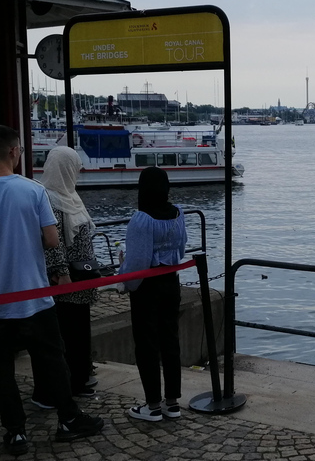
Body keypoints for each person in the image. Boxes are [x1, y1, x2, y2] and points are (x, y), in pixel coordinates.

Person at [0, 126, 103, 456]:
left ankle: (15, 432)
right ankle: (68, 418)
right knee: (52, 358)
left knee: (2, 369)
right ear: (15, 152)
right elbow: (52, 240)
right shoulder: (32, 192)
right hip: (33, 294)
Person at [119, 167, 187, 422]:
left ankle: (152, 405)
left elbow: (138, 263)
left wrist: (125, 282)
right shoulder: (178, 213)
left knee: (147, 344)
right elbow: (180, 250)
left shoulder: (141, 218)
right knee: (170, 339)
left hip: (148, 287)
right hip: (171, 281)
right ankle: (172, 402)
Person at [35, 147, 100, 404]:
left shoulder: (70, 195)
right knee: (67, 334)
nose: (78, 174)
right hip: (66, 282)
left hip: (82, 279)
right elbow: (54, 242)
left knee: (79, 331)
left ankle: (80, 377)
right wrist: (61, 273)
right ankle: (69, 384)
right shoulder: (49, 199)